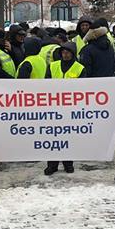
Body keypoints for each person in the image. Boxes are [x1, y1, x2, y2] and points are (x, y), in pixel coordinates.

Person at [45, 42, 84, 176]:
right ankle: (52, 165)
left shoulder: (80, 68)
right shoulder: (52, 66)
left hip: (71, 108)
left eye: (68, 52)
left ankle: (68, 164)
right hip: (53, 107)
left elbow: (84, 88)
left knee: (68, 136)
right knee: (53, 136)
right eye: (63, 52)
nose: (65, 54)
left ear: (73, 53)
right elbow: (45, 84)